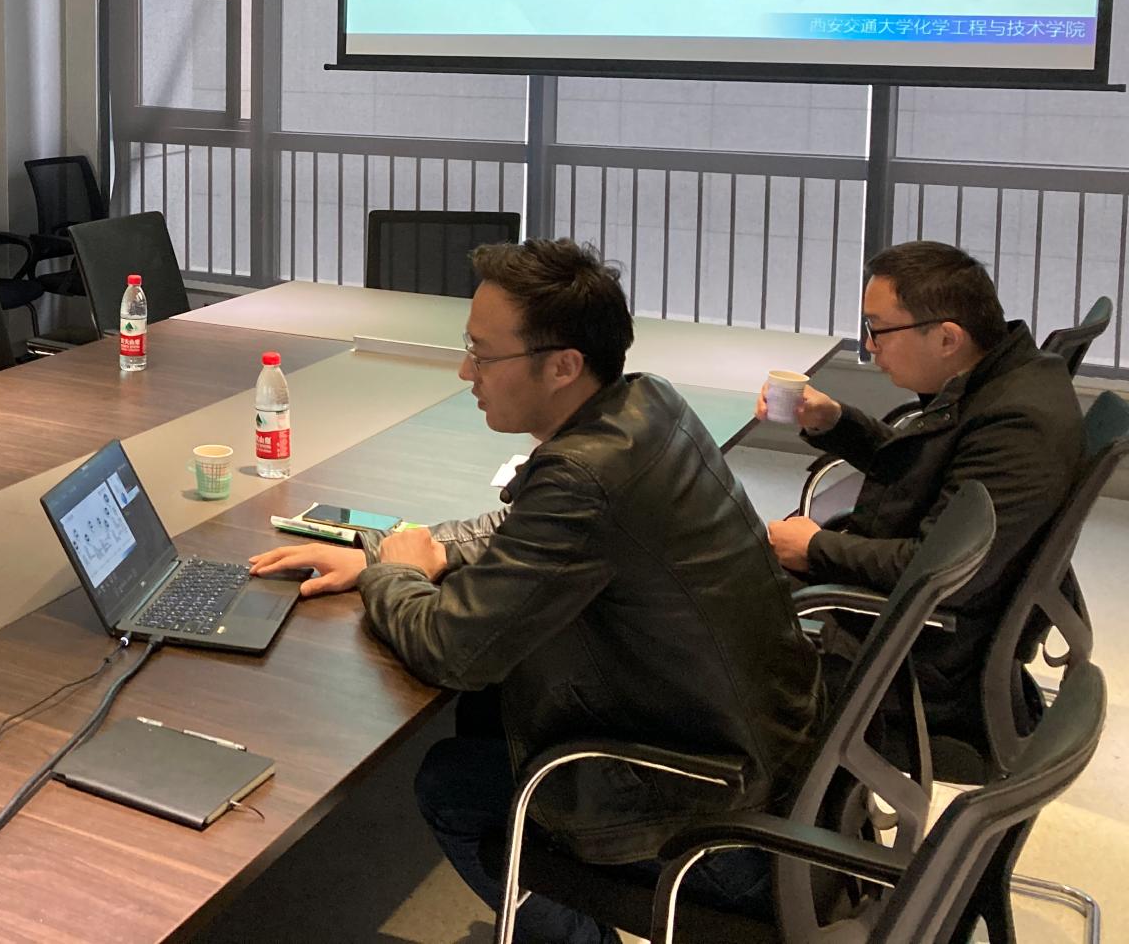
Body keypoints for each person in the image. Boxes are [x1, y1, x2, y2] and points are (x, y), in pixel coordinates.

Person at [250, 239, 819, 944]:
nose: (466, 371)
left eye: (483, 355)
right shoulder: (646, 404)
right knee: (490, 711)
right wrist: (390, 549)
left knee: (450, 783)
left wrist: (391, 574)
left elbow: (454, 652)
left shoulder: (584, 477)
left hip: (716, 825)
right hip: (770, 764)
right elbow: (526, 526)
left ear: (563, 366)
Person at [759, 239, 1081, 747]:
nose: (870, 346)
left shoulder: (1017, 427)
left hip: (918, 660)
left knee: (705, 607)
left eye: (878, 329)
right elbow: (926, 466)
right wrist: (834, 421)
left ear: (947, 337)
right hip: (916, 622)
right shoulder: (1003, 380)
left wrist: (815, 548)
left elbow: (937, 570)